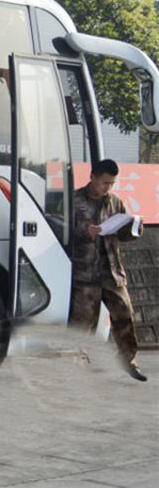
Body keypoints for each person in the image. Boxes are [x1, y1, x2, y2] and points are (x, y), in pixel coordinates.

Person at [69, 159, 146, 381]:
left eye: (111, 183)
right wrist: (85, 232)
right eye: (104, 182)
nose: (107, 187)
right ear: (92, 177)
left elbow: (122, 234)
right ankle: (76, 366)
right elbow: (60, 229)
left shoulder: (115, 202)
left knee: (124, 315)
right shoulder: (74, 201)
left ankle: (128, 360)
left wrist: (134, 228)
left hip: (112, 272)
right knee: (82, 323)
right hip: (85, 274)